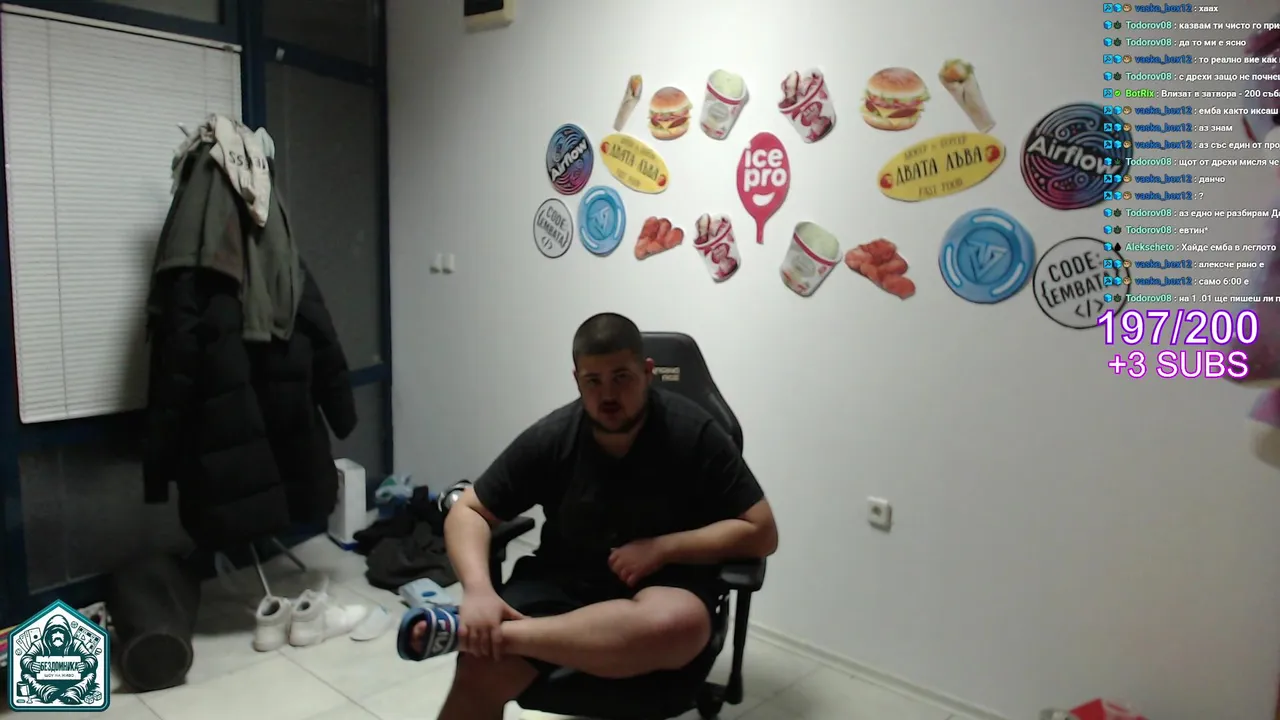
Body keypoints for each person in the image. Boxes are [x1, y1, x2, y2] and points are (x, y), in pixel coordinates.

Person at [398, 313, 778, 720]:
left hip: (664, 583)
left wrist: (663, 548)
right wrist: (477, 591)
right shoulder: (554, 436)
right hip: (564, 583)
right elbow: (469, 510)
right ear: (577, 380)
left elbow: (762, 531)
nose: (608, 394)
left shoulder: (693, 433)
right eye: (593, 381)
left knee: (679, 625)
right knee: (479, 668)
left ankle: (497, 636)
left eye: (621, 377)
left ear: (647, 372)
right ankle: (499, 637)